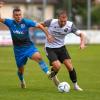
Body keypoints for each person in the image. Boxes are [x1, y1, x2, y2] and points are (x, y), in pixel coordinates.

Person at [0, 7, 54, 88]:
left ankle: (48, 73)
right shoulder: (10, 22)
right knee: (20, 70)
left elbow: (39, 25)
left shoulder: (26, 22)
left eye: (20, 15)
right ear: (13, 16)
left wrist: (48, 35)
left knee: (38, 57)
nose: (18, 16)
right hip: (18, 51)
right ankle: (22, 81)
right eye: (16, 15)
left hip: (28, 47)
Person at [41, 10, 85, 91]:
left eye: (64, 21)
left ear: (67, 19)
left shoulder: (70, 25)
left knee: (69, 66)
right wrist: (48, 35)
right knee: (57, 66)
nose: (63, 23)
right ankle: (54, 76)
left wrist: (82, 43)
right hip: (50, 48)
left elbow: (81, 34)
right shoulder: (51, 22)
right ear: (58, 18)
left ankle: (75, 86)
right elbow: (40, 25)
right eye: (61, 21)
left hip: (61, 47)